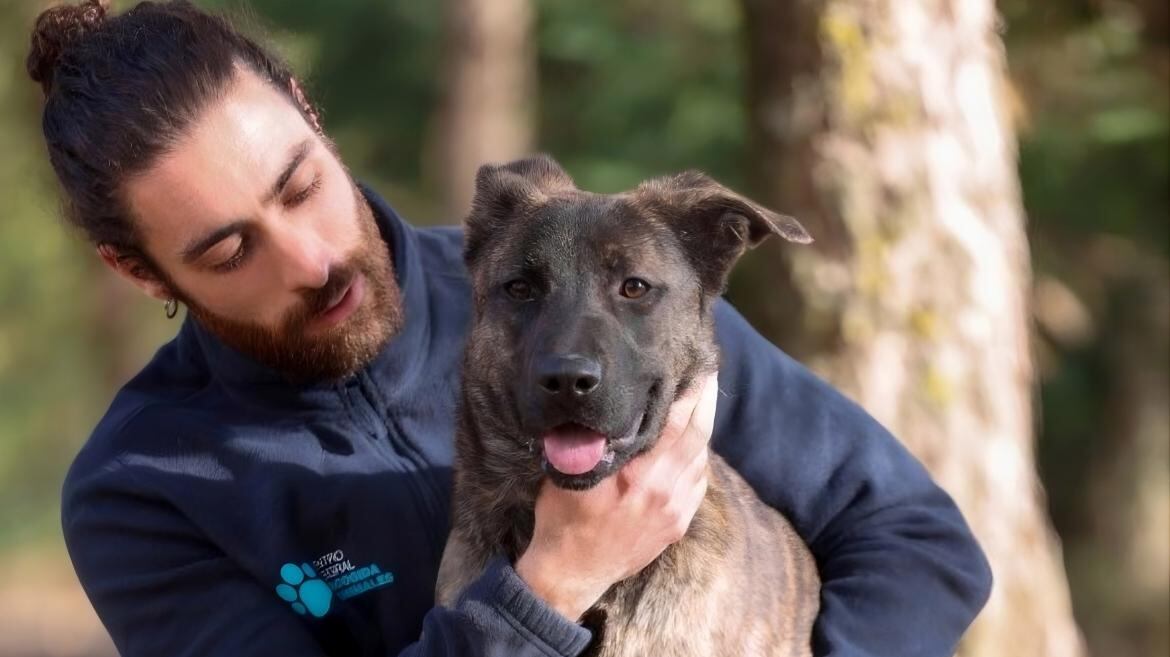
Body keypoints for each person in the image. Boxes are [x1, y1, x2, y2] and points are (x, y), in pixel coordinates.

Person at [28, 1, 992, 656]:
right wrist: (553, 582)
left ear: (313, 117)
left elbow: (916, 538)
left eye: (300, 186)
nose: (310, 261)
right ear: (137, 268)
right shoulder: (145, 490)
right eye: (230, 250)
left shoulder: (596, 299)